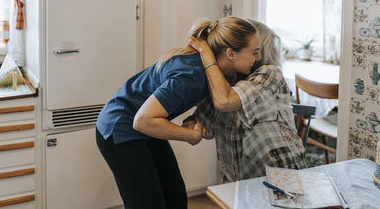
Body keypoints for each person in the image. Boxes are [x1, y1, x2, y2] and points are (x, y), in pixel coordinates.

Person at [95, 16, 260, 209]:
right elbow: (142, 121)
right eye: (254, 53)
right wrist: (190, 135)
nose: (257, 59)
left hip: (143, 126)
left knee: (175, 198)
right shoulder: (191, 76)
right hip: (119, 129)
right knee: (147, 204)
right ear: (231, 53)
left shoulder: (213, 69)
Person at [187, 19, 307, 183]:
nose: (256, 56)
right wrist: (195, 124)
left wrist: (206, 54)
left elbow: (224, 102)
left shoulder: (270, 74)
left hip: (280, 175)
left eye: (257, 50)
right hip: (238, 179)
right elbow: (203, 123)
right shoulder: (226, 82)